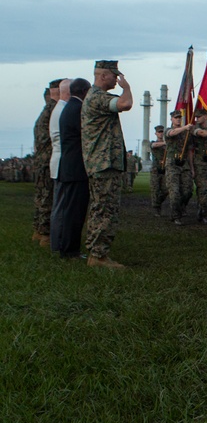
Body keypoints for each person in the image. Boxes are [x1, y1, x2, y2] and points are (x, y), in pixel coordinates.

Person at [81, 60, 132, 268]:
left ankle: (96, 252)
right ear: (103, 76)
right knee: (105, 210)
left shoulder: (93, 96)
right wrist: (126, 88)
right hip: (104, 163)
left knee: (99, 208)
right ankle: (98, 256)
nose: (117, 79)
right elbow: (125, 104)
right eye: (114, 75)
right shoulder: (97, 97)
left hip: (101, 163)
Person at [51, 78, 91, 259]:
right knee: (72, 212)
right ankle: (68, 249)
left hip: (69, 166)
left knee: (70, 211)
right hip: (74, 167)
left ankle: (66, 247)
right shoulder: (75, 109)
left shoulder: (68, 108)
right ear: (84, 91)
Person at [31, 80, 60, 247]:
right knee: (47, 198)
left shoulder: (44, 112)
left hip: (42, 161)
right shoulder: (52, 111)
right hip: (48, 161)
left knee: (41, 197)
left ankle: (38, 230)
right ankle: (44, 234)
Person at [48, 79, 71, 233]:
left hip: (60, 160)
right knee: (61, 206)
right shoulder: (63, 110)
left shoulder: (60, 108)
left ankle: (58, 240)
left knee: (60, 204)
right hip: (62, 161)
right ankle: (59, 241)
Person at [164, 110, 195, 226]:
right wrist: (185, 128)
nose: (178, 119)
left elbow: (190, 152)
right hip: (172, 164)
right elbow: (172, 133)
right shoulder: (169, 130)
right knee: (175, 193)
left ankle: (181, 208)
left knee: (188, 191)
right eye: (175, 117)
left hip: (184, 164)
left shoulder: (187, 134)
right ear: (171, 119)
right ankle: (176, 216)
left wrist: (192, 168)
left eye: (179, 117)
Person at [149, 125, 167, 215]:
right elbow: (154, 145)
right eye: (159, 132)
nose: (160, 134)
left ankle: (158, 202)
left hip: (165, 170)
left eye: (162, 132)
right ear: (156, 133)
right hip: (156, 170)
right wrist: (165, 143)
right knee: (155, 190)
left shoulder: (166, 144)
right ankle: (156, 208)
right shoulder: (153, 143)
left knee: (166, 189)